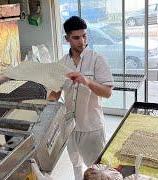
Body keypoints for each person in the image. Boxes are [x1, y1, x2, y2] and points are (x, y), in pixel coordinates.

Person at [49, 16, 113, 180]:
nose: (82, 41)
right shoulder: (62, 63)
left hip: (92, 128)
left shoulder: (97, 59)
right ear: (67, 39)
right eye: (76, 38)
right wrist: (44, 107)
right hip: (71, 127)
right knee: (76, 164)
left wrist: (87, 81)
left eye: (84, 36)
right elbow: (55, 94)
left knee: (96, 170)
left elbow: (107, 92)